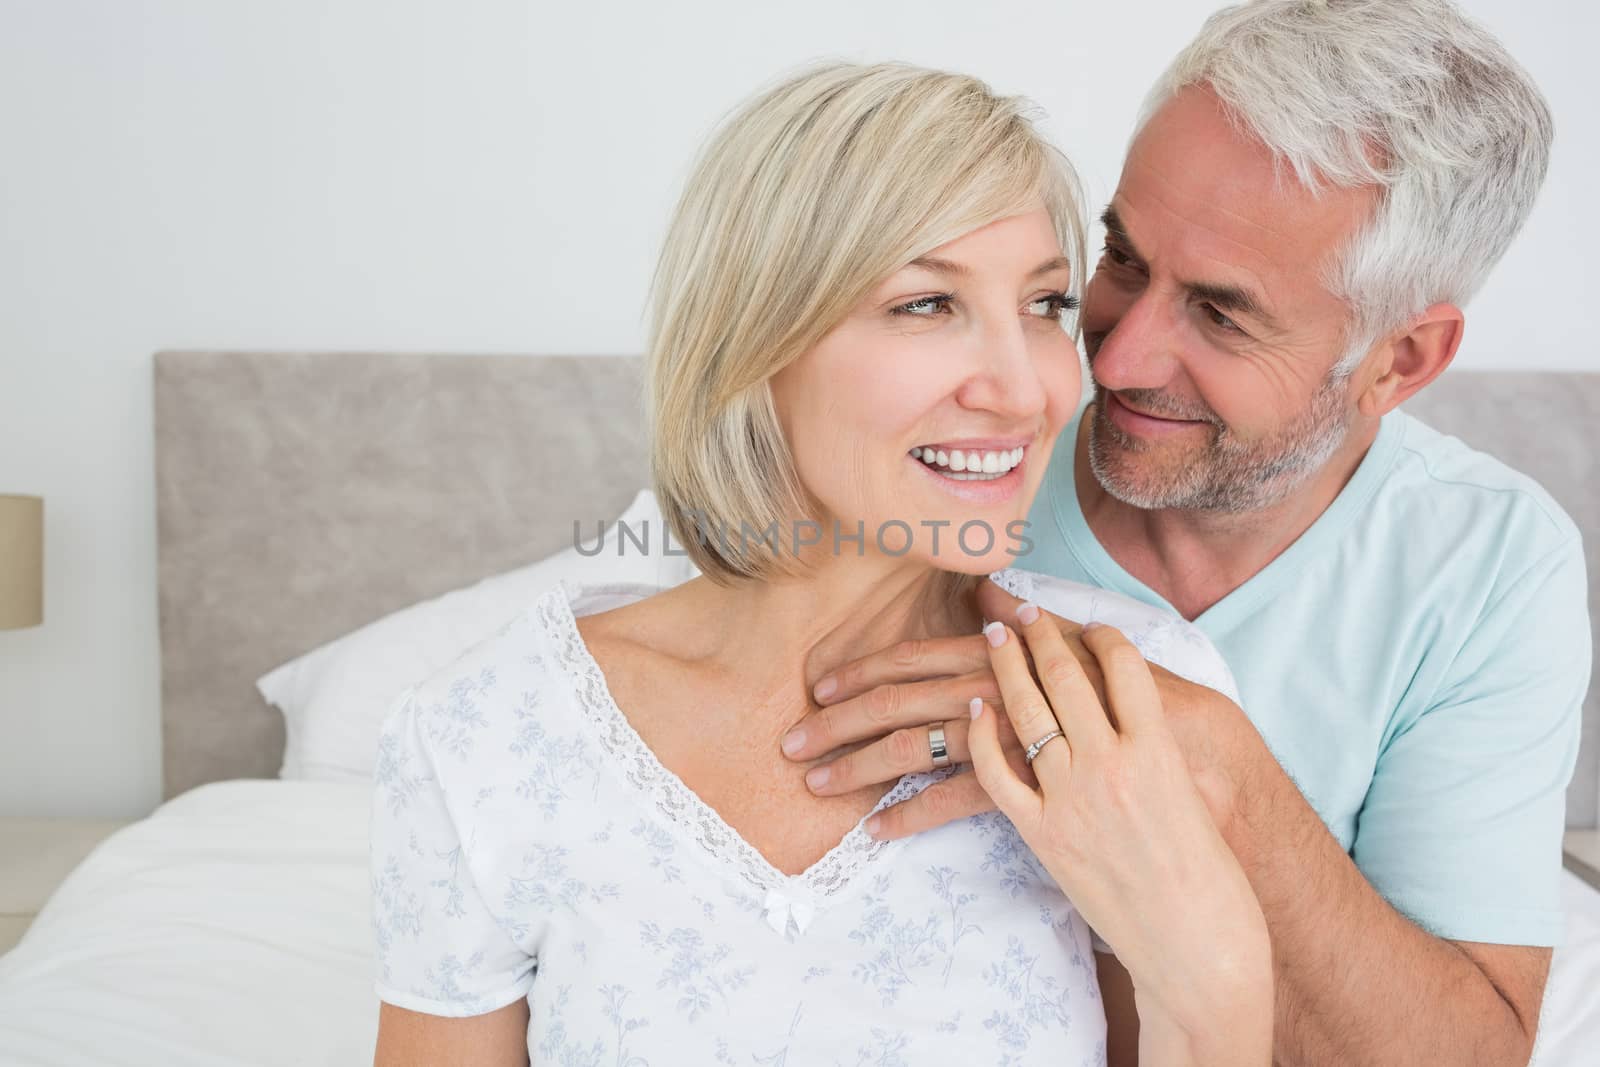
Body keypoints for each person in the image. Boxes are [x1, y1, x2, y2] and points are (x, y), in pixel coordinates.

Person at [369, 60, 1273, 1065]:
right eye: (927, 304)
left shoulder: (1132, 695)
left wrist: (1221, 979)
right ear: (755, 342)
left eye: (1043, 305)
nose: (1025, 391)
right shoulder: (488, 732)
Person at [780, 2, 1591, 1064]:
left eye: (1219, 314)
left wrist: (1209, 761)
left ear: (1398, 361)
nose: (1109, 363)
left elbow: (1463, 1048)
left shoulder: (1484, 563)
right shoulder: (930, 457)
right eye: (1122, 257)